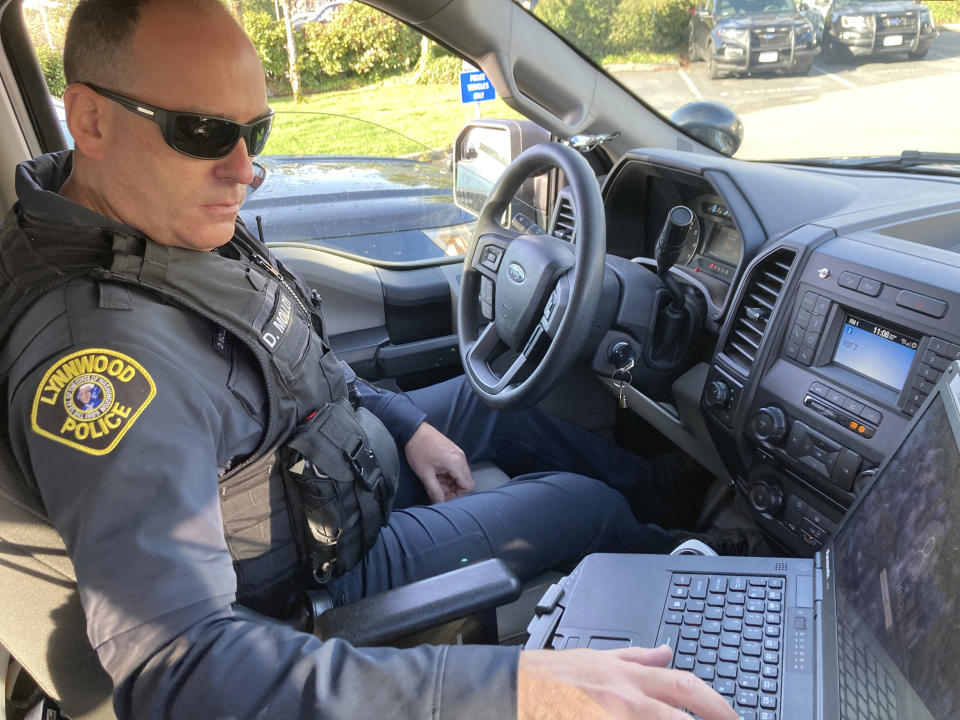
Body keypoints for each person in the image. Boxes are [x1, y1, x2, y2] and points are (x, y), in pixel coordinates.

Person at [0, 1, 739, 718]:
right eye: (199, 131)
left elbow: (290, 353)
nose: (243, 168)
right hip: (328, 567)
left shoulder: (151, 229)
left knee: (500, 403)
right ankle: (716, 578)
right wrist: (511, 691)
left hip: (334, 466)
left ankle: (673, 488)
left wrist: (408, 424)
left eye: (254, 131)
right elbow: (179, 667)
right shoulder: (103, 362)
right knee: (587, 505)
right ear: (91, 120)